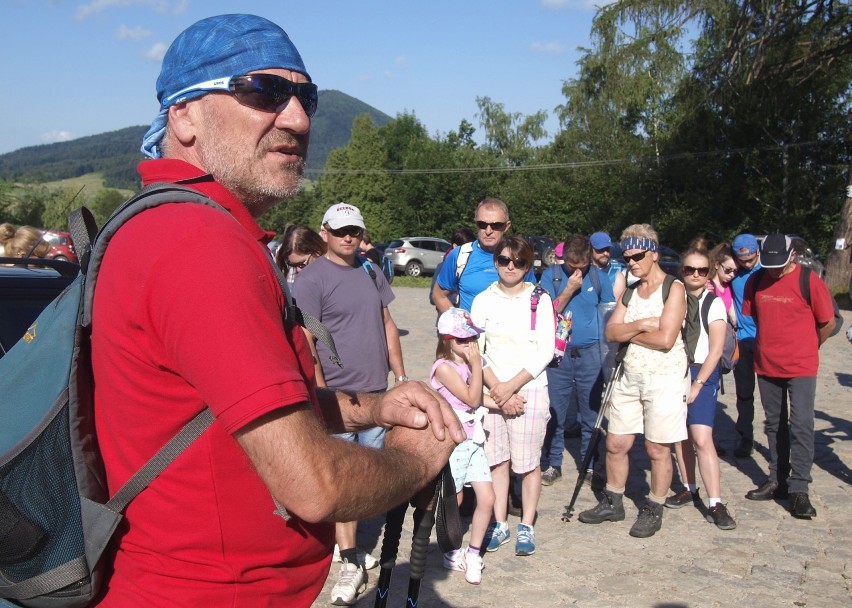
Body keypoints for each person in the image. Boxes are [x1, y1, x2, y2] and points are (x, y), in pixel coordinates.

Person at [91, 15, 463, 607]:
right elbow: (315, 486)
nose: (297, 117)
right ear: (184, 115)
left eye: (304, 97)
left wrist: (373, 406)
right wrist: (412, 462)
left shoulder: (166, 225)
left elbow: (234, 409)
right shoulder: (199, 244)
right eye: (263, 92)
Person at [293, 202, 409, 605]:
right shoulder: (311, 280)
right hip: (340, 396)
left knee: (369, 474)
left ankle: (358, 544)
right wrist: (323, 394)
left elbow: (387, 323)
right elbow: (307, 340)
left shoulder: (369, 269)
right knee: (344, 480)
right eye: (341, 230)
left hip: (377, 392)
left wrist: (400, 376)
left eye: (354, 231)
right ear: (324, 232)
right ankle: (347, 560)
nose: (348, 237)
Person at [578, 224, 688, 539]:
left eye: (637, 256)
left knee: (656, 449)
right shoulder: (629, 289)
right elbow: (611, 332)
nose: (631, 262)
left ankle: (654, 506)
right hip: (627, 374)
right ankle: (613, 500)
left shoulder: (674, 288)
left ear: (654, 253)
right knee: (615, 443)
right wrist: (641, 325)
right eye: (626, 257)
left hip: (663, 378)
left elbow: (666, 338)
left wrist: (630, 332)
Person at [471, 236, 554, 557]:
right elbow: (475, 350)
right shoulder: (483, 300)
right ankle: (501, 522)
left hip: (529, 389)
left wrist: (510, 387)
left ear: (529, 264)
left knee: (528, 463)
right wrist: (498, 389)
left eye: (519, 262)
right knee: (498, 462)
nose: (511, 267)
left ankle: (527, 526)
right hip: (493, 391)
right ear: (495, 262)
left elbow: (544, 350)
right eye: (504, 260)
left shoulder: (540, 299)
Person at [742, 234, 835, 519]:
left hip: (802, 366)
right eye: (768, 265)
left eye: (778, 265)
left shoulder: (809, 280)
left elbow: (828, 322)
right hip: (767, 364)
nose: (773, 270)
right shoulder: (755, 281)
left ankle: (799, 489)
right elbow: (756, 316)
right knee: (774, 424)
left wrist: (808, 344)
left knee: (802, 424)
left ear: (792, 256)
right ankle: (778, 480)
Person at [665, 244, 737, 530]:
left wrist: (698, 383)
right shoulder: (675, 298)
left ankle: (715, 501)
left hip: (700, 371)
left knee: (702, 438)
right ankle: (688, 486)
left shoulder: (713, 303)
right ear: (682, 271)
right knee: (679, 435)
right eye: (690, 269)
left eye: (702, 270)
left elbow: (716, 351)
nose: (695, 274)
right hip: (674, 370)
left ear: (709, 272)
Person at [538, 235, 614, 488]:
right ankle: (552, 463)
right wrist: (569, 288)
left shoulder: (598, 276)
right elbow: (547, 312)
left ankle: (590, 464)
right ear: (565, 258)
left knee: (590, 413)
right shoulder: (552, 275)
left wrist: (609, 356)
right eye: (572, 265)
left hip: (590, 353)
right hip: (558, 353)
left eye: (582, 265)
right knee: (555, 412)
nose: (578, 270)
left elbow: (608, 316)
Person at [431, 307, 496, 585]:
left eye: (473, 339)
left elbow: (480, 400)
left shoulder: (467, 365)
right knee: (453, 500)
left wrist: (507, 402)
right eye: (462, 340)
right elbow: (471, 399)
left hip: (473, 441)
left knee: (488, 498)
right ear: (446, 340)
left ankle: (474, 552)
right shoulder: (444, 368)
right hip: (455, 442)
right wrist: (478, 365)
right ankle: (450, 547)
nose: (469, 345)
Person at [432, 198, 534, 313]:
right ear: (475, 223)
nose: (488, 230)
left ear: (506, 226)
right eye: (482, 224)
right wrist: (459, 325)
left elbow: (530, 298)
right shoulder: (460, 255)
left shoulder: (519, 257)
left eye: (495, 225)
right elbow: (438, 295)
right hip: (471, 330)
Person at [730, 233, 761, 458]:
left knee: (774, 395)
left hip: (767, 340)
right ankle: (745, 436)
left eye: (751, 259)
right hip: (743, 339)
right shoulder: (734, 274)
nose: (747, 264)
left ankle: (780, 438)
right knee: (744, 393)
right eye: (743, 261)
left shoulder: (768, 271)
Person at [430, 226, 476, 308]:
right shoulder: (442, 267)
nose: (470, 252)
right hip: (449, 316)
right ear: (455, 246)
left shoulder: (474, 265)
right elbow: (433, 298)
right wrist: (458, 297)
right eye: (467, 249)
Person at [706, 242, 738, 326]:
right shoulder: (707, 285)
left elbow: (733, 318)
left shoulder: (728, 287)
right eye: (728, 270)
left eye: (735, 271)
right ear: (717, 265)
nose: (732, 275)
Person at [590, 231, 627, 300]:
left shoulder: (615, 274)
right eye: (601, 249)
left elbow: (614, 305)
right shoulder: (584, 271)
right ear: (591, 249)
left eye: (608, 249)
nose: (605, 253)